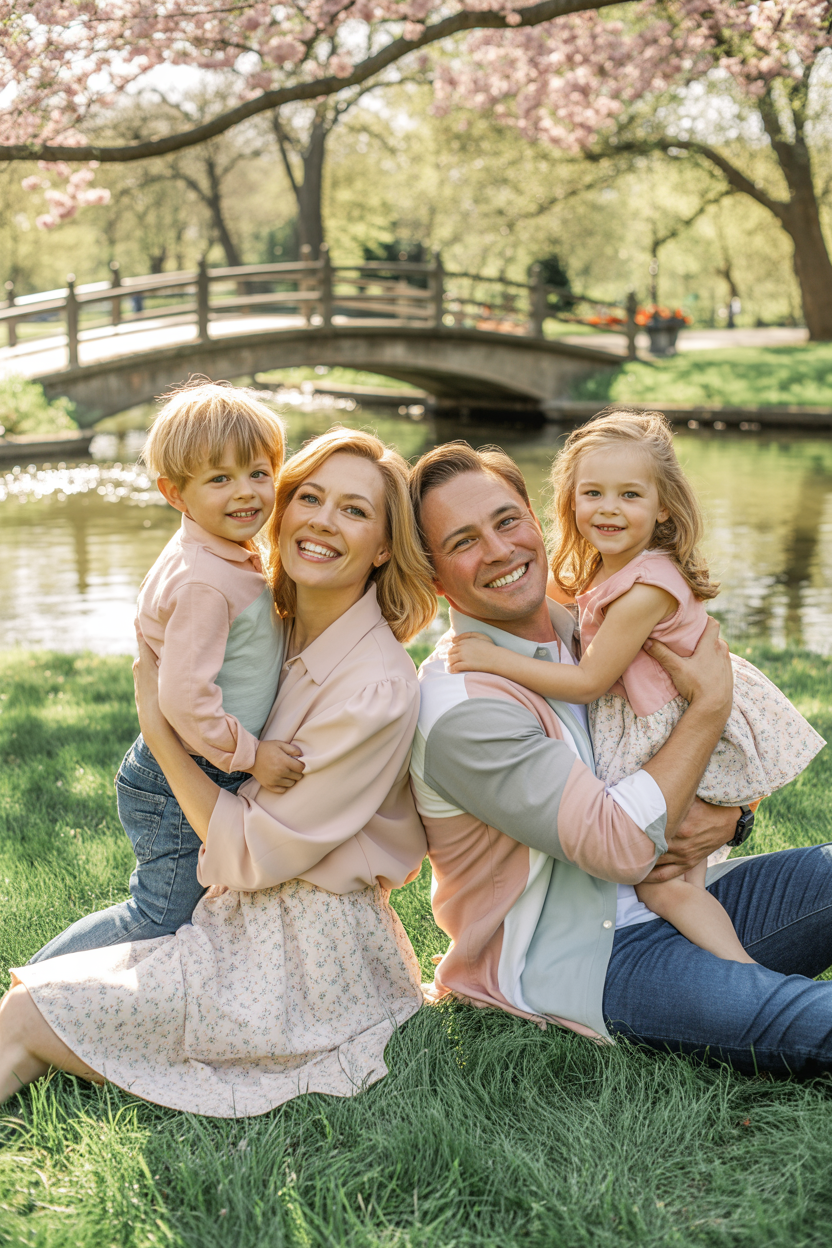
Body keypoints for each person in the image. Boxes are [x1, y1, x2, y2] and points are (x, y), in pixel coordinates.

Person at [0, 428, 437, 1117]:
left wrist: (160, 735)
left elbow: (252, 855)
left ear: (384, 546)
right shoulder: (267, 618)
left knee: (28, 1018)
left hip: (305, 947)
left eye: (353, 511)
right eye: (310, 498)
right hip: (240, 909)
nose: (322, 520)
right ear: (281, 511)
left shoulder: (375, 686)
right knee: (26, 1015)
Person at [408, 438, 832, 1075]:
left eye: (507, 521)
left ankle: (744, 987)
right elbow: (620, 847)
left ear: (538, 519)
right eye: (464, 541)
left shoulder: (590, 627)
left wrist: (735, 816)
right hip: (591, 960)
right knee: (804, 1017)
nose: (500, 550)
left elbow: (695, 765)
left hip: (688, 896)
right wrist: (707, 708)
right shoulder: (460, 709)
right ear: (433, 575)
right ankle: (753, 995)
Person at [31, 381, 300, 964]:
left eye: (258, 472)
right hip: (182, 776)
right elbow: (182, 699)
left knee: (192, 907)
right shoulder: (205, 582)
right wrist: (252, 755)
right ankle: (36, 989)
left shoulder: (222, 553)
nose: (246, 492)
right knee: (158, 915)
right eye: (219, 479)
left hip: (195, 763)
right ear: (175, 494)